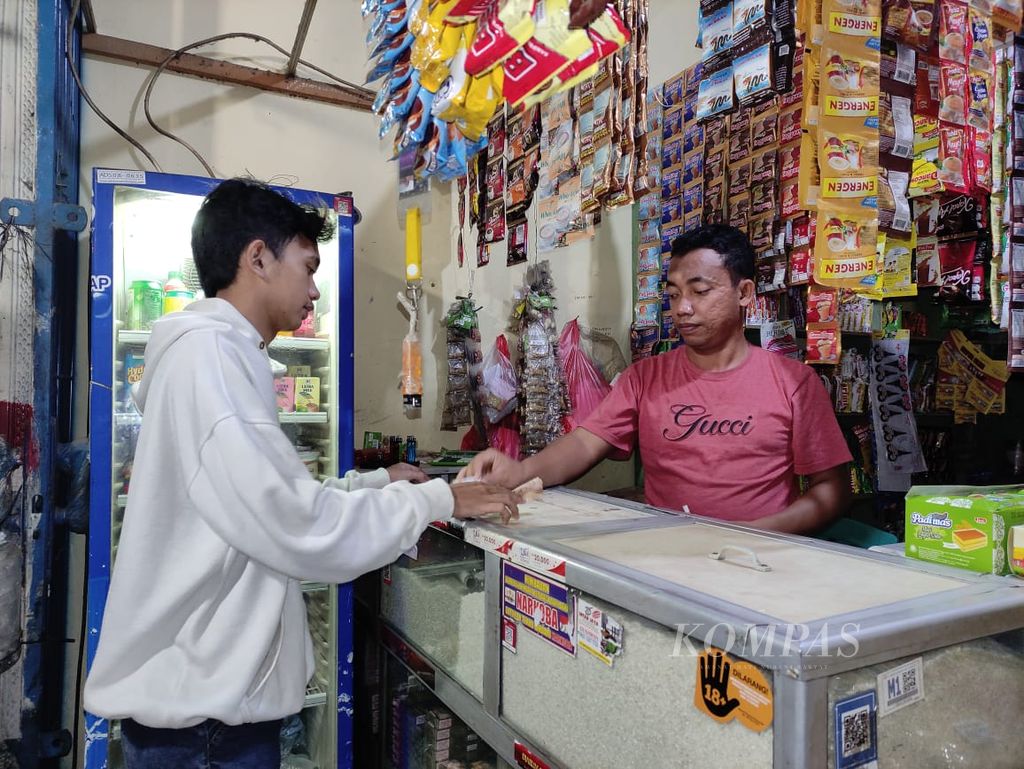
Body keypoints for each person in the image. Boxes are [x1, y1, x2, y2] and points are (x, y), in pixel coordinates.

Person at [84, 179, 519, 769]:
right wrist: (443, 500)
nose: (315, 289)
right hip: (203, 726)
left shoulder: (218, 356)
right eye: (308, 267)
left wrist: (378, 483)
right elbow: (297, 526)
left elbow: (259, 505)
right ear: (257, 257)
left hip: (202, 710)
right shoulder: (210, 359)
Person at [460, 224, 852, 534]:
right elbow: (583, 443)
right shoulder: (645, 378)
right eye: (674, 293)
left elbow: (831, 492)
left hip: (761, 563)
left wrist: (751, 536)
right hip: (667, 557)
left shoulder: (793, 383)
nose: (683, 308)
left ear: (745, 292)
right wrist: (520, 472)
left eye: (700, 291)